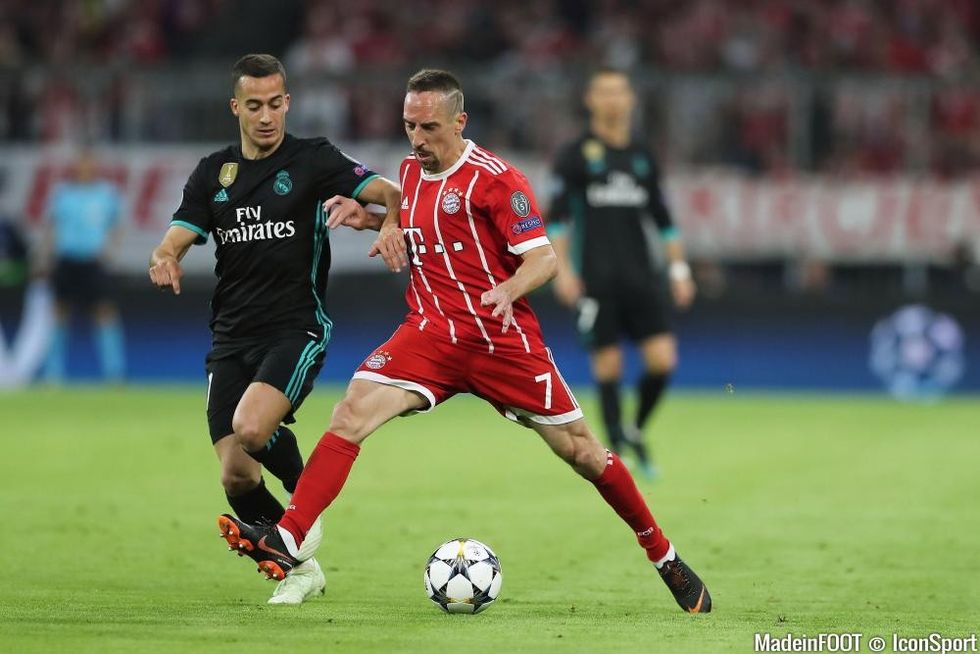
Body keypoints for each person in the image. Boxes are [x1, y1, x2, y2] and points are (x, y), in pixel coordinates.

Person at [217, 69, 711, 614]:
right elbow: (423, 227)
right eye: (409, 126)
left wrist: (509, 289)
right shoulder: (410, 171)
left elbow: (542, 258)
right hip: (429, 335)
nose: (417, 139)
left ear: (460, 121)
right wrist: (368, 218)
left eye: (429, 127)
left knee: (584, 453)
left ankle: (664, 555)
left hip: (501, 342)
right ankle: (289, 538)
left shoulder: (497, 180)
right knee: (350, 413)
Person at [148, 54, 403, 605]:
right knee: (236, 476)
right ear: (236, 107)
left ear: (288, 102)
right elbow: (179, 232)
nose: (267, 116)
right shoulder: (212, 173)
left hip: (296, 328)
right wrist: (165, 255)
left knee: (252, 429)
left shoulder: (313, 159)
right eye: (255, 105)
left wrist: (395, 224)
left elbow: (391, 192)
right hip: (230, 338)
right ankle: (300, 567)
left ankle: (303, 504)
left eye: (276, 104)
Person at [548, 67, 696, 477]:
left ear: (630, 100)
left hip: (641, 278)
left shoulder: (643, 156)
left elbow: (664, 221)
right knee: (608, 365)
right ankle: (618, 451)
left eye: (620, 92)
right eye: (604, 92)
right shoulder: (575, 155)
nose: (613, 100)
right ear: (591, 100)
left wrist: (680, 269)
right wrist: (562, 271)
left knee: (662, 361)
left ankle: (634, 428)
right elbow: (556, 220)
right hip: (596, 279)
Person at [39, 149, 126, 383]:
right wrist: (45, 258)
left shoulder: (107, 193)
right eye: (82, 162)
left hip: (93, 261)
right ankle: (52, 374)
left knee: (105, 313)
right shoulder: (63, 193)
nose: (86, 167)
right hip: (66, 259)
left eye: (90, 162)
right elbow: (51, 228)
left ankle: (114, 373)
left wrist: (111, 253)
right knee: (59, 314)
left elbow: (117, 225)